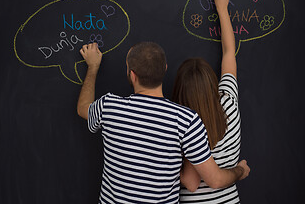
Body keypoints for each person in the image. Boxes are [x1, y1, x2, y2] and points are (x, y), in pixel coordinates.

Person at [77, 41, 250, 202]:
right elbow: (215, 179)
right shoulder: (187, 120)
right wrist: (240, 170)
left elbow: (83, 107)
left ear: (132, 75)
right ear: (165, 69)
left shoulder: (109, 107)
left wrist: (92, 67)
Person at [172, 0, 244, 203]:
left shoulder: (184, 124)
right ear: (212, 82)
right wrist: (222, 9)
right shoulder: (229, 102)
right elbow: (229, 52)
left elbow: (191, 183)